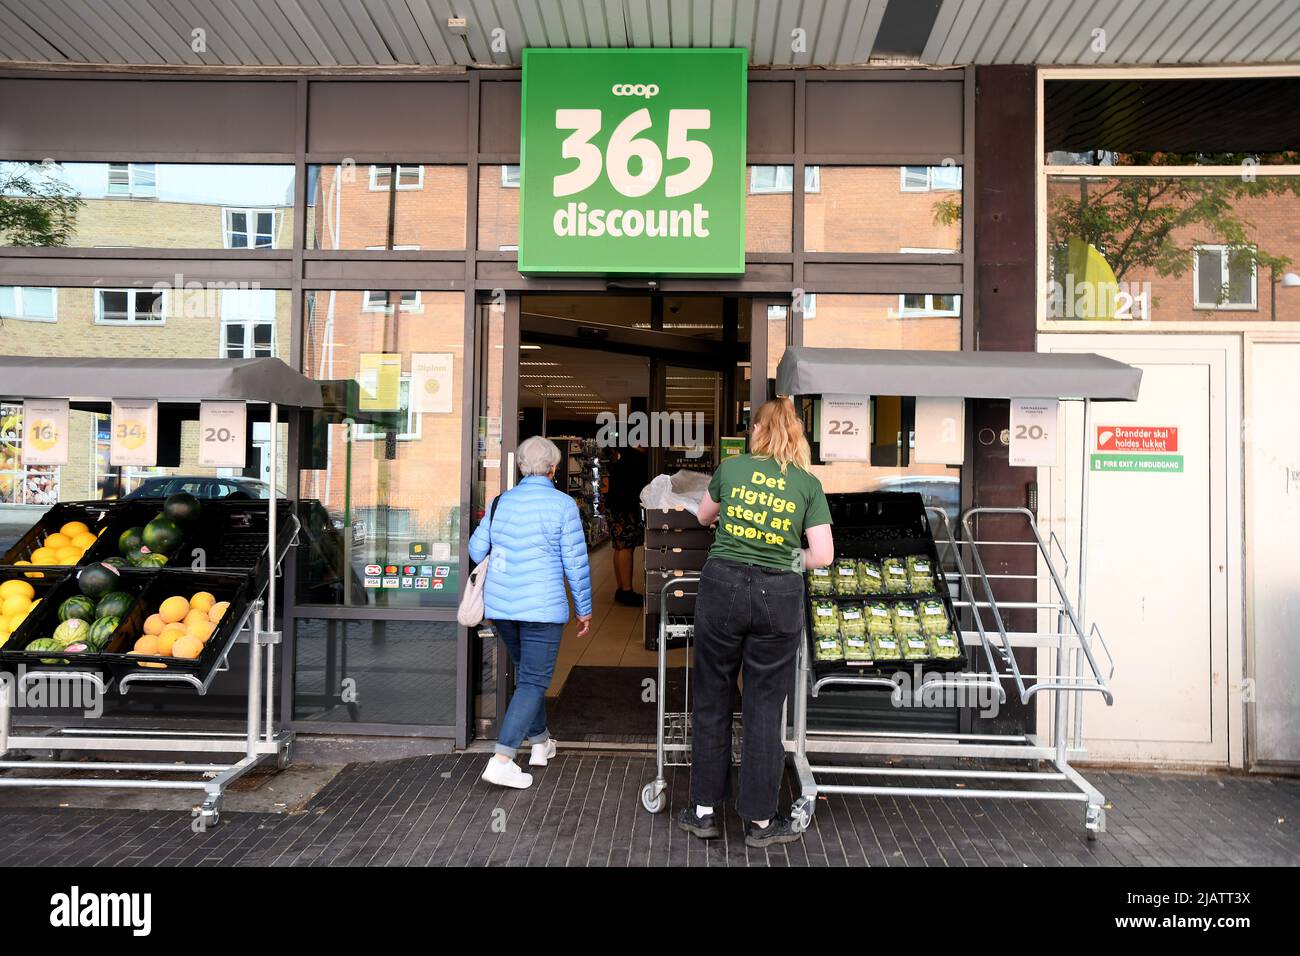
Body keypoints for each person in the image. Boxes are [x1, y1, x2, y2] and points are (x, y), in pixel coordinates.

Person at [678, 398, 834, 847]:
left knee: (713, 696)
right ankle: (761, 822)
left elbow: (705, 515)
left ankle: (704, 810)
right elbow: (822, 556)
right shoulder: (807, 483)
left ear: (757, 431)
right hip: (779, 595)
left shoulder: (732, 468)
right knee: (765, 708)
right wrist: (790, 555)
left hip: (723, 585)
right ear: (797, 436)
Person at [469, 436, 593, 790]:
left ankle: (540, 743)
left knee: (527, 674)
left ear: (521, 467)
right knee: (534, 681)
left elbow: (477, 550)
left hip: (503, 608)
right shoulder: (563, 505)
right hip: (541, 609)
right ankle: (502, 759)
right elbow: (575, 563)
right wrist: (583, 609)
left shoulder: (500, 502)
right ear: (553, 469)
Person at [604, 440, 649, 606]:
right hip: (626, 508)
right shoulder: (637, 458)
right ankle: (627, 591)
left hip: (615, 506)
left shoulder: (624, 456)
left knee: (619, 546)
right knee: (626, 547)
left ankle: (621, 588)